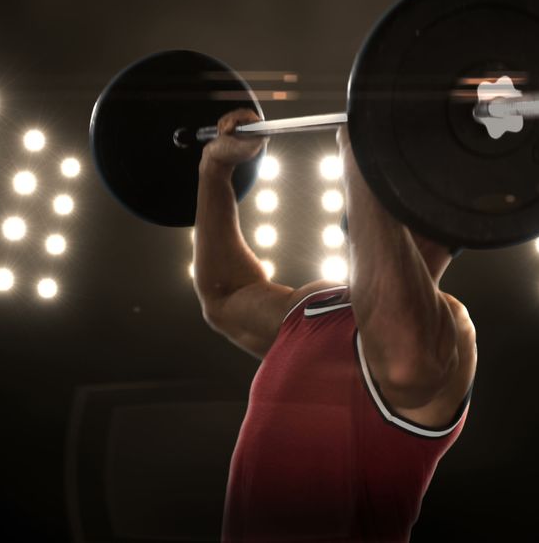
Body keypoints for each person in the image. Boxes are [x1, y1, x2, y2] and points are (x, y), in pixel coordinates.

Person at [193, 109, 477, 542]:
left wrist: (360, 154)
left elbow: (399, 350)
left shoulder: (450, 329)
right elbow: (224, 294)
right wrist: (216, 169)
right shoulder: (314, 303)